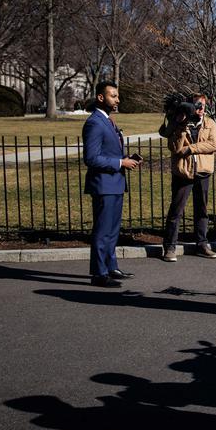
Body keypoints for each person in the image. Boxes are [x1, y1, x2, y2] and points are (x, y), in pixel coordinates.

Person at [82, 81, 140, 287]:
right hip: (104, 185)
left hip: (115, 183)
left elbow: (108, 151)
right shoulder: (94, 122)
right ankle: (99, 273)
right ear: (100, 97)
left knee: (113, 229)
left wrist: (125, 159)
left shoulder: (108, 121)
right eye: (113, 96)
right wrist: (120, 162)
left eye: (117, 96)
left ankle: (111, 266)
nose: (117, 100)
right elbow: (91, 158)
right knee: (103, 230)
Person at [161, 94, 216, 262]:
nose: (201, 109)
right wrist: (180, 126)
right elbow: (174, 147)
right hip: (183, 172)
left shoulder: (210, 123)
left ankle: (202, 244)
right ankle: (170, 247)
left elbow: (213, 145)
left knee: (202, 210)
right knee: (176, 211)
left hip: (203, 172)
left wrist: (190, 149)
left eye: (203, 106)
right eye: (197, 105)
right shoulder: (179, 123)